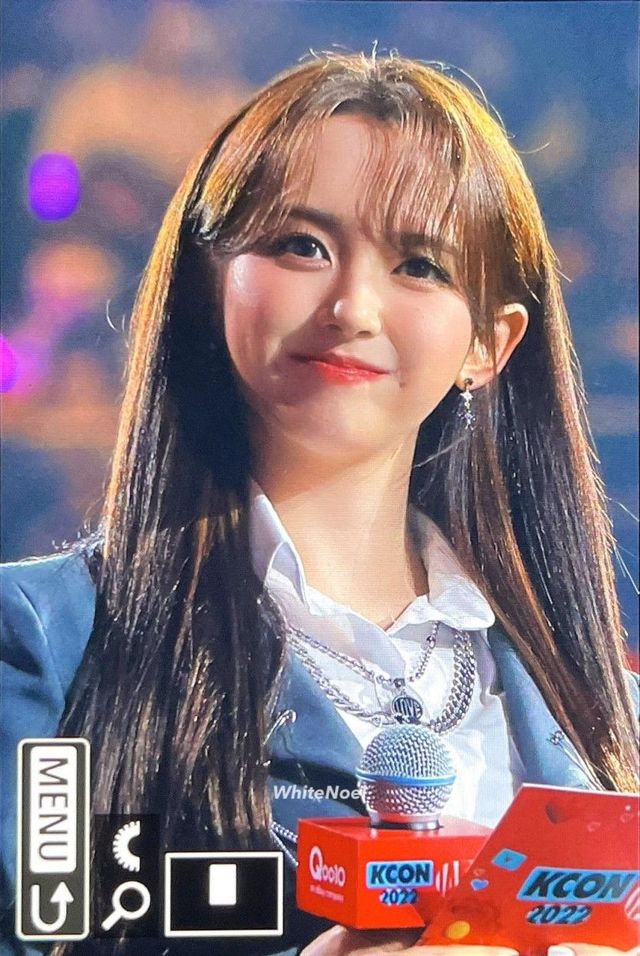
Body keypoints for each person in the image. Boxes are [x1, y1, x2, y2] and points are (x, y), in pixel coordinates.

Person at [1, 51, 638, 956]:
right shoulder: (53, 646)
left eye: (419, 264)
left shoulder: (602, 711)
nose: (352, 307)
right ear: (210, 280)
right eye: (303, 246)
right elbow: (38, 928)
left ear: (489, 346)